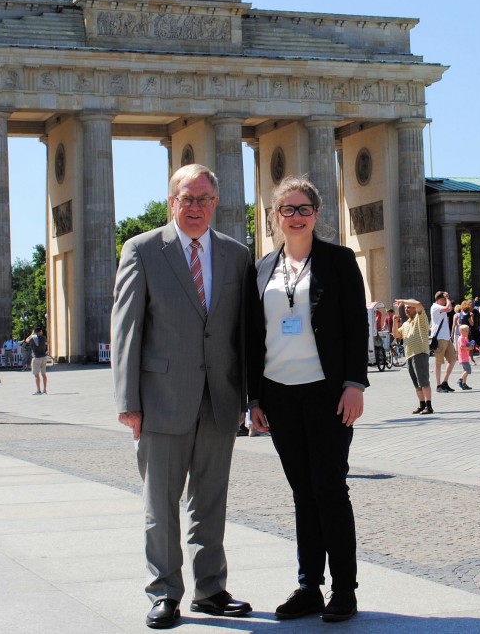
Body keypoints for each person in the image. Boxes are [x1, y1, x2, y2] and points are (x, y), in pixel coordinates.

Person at [111, 163, 253, 629]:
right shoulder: (143, 250)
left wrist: (250, 398)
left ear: (217, 202)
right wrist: (127, 400)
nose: (195, 208)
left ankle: (210, 589)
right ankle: (165, 591)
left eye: (204, 199)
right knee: (161, 503)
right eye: (186, 199)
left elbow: (243, 334)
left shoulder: (236, 254)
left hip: (220, 397)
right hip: (161, 398)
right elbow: (126, 329)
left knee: (210, 501)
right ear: (171, 202)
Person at [247, 176, 365, 622]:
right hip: (279, 392)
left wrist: (355, 383)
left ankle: (345, 591)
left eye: (304, 209)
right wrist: (254, 398)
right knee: (302, 492)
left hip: (327, 392)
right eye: (287, 210)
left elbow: (356, 324)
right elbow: (251, 335)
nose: (295, 217)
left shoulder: (338, 260)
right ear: (274, 217)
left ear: (317, 214)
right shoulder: (261, 268)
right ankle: (308, 587)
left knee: (330, 489)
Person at [393, 298, 433, 414]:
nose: (406, 309)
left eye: (409, 307)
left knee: (423, 381)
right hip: (409, 355)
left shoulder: (420, 318)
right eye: (405, 308)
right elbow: (396, 334)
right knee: (416, 383)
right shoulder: (406, 324)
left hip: (420, 352)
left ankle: (429, 406)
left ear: (415, 308)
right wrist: (395, 322)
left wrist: (403, 301)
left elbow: (419, 304)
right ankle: (422, 405)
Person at [430, 292, 457, 392]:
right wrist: (447, 298)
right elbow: (449, 308)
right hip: (439, 338)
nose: (445, 301)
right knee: (438, 363)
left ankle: (444, 382)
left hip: (446, 337)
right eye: (443, 299)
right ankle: (438, 385)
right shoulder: (435, 307)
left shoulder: (440, 307)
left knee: (453, 359)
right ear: (439, 299)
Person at [26, 327, 49, 394]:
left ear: (35, 332)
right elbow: (47, 343)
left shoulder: (33, 338)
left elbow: (27, 340)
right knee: (44, 374)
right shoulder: (43, 338)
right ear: (40, 331)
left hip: (36, 358)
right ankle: (44, 389)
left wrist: (32, 334)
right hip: (43, 357)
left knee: (36, 375)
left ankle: (38, 390)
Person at [456, 324, 474, 390]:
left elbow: (467, 344)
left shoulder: (464, 338)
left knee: (465, 370)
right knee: (468, 370)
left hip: (465, 357)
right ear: (461, 331)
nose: (467, 332)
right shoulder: (461, 338)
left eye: (468, 331)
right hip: (463, 357)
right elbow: (462, 346)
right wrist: (469, 348)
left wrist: (470, 344)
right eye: (466, 331)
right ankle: (460, 380)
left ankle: (464, 383)